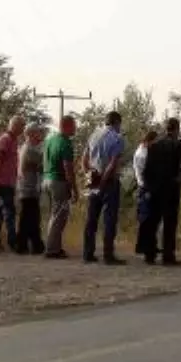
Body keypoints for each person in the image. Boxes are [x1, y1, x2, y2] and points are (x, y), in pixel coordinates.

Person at [140, 118, 181, 265]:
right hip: (171, 188)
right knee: (169, 223)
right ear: (177, 129)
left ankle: (149, 254)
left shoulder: (153, 146)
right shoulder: (180, 147)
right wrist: (180, 179)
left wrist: (148, 188)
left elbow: (146, 170)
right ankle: (168, 256)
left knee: (152, 221)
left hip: (155, 189)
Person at [82, 110, 126, 265]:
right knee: (109, 219)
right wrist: (103, 180)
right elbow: (113, 163)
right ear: (117, 122)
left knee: (91, 217)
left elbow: (84, 159)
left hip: (93, 178)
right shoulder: (117, 138)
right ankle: (108, 255)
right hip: (108, 181)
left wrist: (88, 174)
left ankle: (88, 252)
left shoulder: (94, 134)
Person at [0, 115, 26, 251]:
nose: (23, 129)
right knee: (9, 211)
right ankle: (12, 242)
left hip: (9, 180)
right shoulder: (6, 139)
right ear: (14, 126)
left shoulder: (13, 141)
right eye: (21, 126)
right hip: (3, 181)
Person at [43, 115, 79, 259]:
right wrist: (74, 189)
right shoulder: (65, 143)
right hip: (58, 181)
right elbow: (68, 168)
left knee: (55, 214)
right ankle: (52, 249)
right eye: (74, 125)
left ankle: (55, 247)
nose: (76, 128)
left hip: (47, 179)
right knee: (59, 216)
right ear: (67, 126)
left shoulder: (50, 139)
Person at [15, 123, 47, 254]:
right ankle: (27, 245)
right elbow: (41, 164)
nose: (41, 135)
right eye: (38, 132)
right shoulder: (28, 149)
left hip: (29, 188)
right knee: (29, 217)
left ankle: (32, 244)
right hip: (28, 188)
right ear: (31, 134)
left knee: (30, 217)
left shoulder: (28, 148)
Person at [132, 128, 158, 255]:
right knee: (146, 218)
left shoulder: (142, 151)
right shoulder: (143, 154)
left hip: (144, 187)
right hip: (145, 187)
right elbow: (146, 173)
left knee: (147, 218)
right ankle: (143, 245)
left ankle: (148, 244)